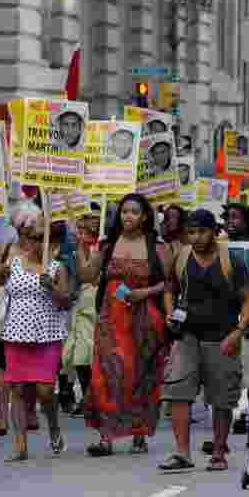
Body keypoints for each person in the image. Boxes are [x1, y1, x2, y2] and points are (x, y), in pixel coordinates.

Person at [75, 193, 172, 457]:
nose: (128, 216)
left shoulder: (157, 246)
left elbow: (169, 283)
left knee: (139, 375)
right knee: (106, 374)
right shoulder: (107, 246)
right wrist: (82, 248)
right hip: (110, 319)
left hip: (144, 320)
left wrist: (144, 293)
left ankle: (139, 433)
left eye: (134, 212)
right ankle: (106, 437)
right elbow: (87, 275)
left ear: (144, 217)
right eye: (124, 211)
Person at [161, 209, 249, 472]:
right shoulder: (181, 258)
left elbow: (248, 298)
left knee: (221, 397)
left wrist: (238, 331)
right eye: (191, 232)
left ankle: (218, 451)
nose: (197, 237)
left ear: (214, 231)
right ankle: (182, 453)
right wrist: (170, 313)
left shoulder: (231, 261)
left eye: (202, 231)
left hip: (222, 337)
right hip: (187, 335)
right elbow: (170, 289)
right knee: (178, 390)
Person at [0, 211, 71, 462]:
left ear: (51, 243)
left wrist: (52, 287)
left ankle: (53, 427)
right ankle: (20, 446)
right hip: (16, 333)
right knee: (18, 388)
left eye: (42, 238)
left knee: (45, 390)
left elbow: (65, 301)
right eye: (32, 238)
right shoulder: (14, 262)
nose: (36, 243)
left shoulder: (57, 267)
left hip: (47, 334)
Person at [61, 213, 98, 418]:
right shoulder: (74, 252)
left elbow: (91, 275)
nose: (78, 234)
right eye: (78, 230)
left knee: (88, 355)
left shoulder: (96, 251)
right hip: (79, 305)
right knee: (78, 356)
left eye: (83, 231)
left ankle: (91, 399)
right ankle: (87, 397)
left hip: (93, 306)